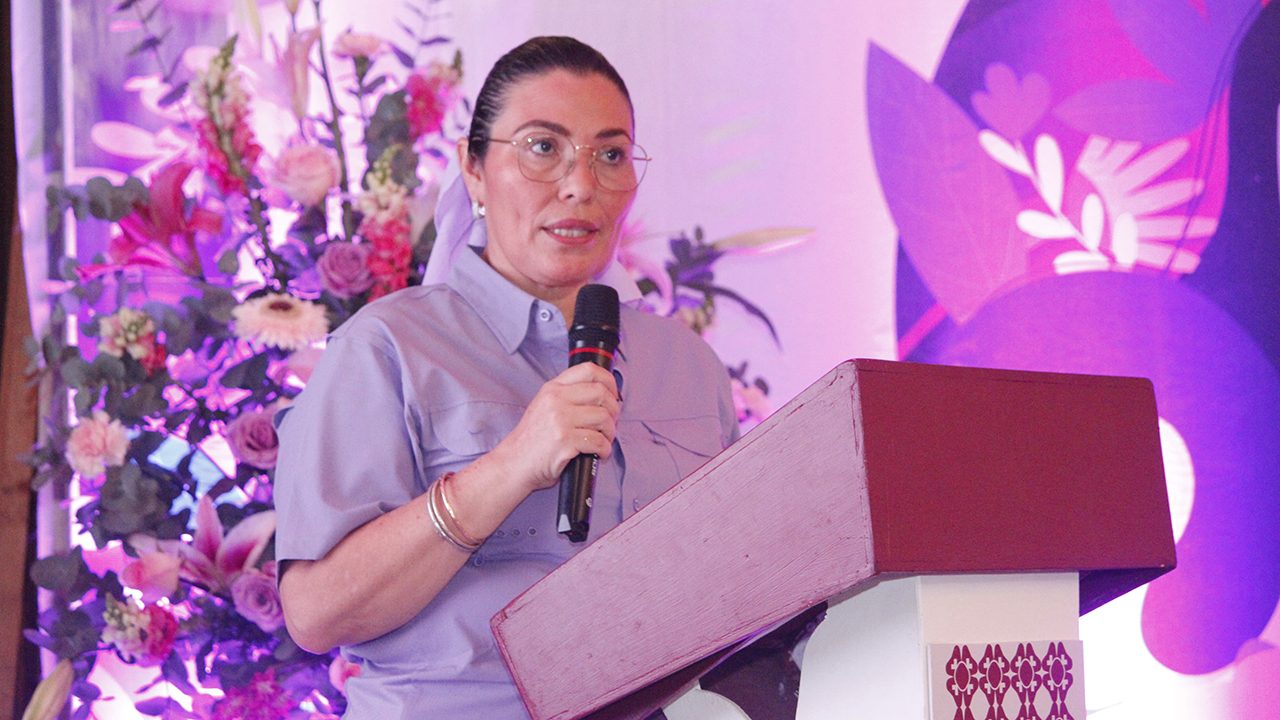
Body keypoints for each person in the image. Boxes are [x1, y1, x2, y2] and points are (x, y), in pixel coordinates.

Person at [273, 36, 739, 718]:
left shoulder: (688, 366)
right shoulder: (388, 348)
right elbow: (317, 614)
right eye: (543, 147)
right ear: (474, 169)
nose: (581, 185)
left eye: (610, 155)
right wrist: (511, 466)